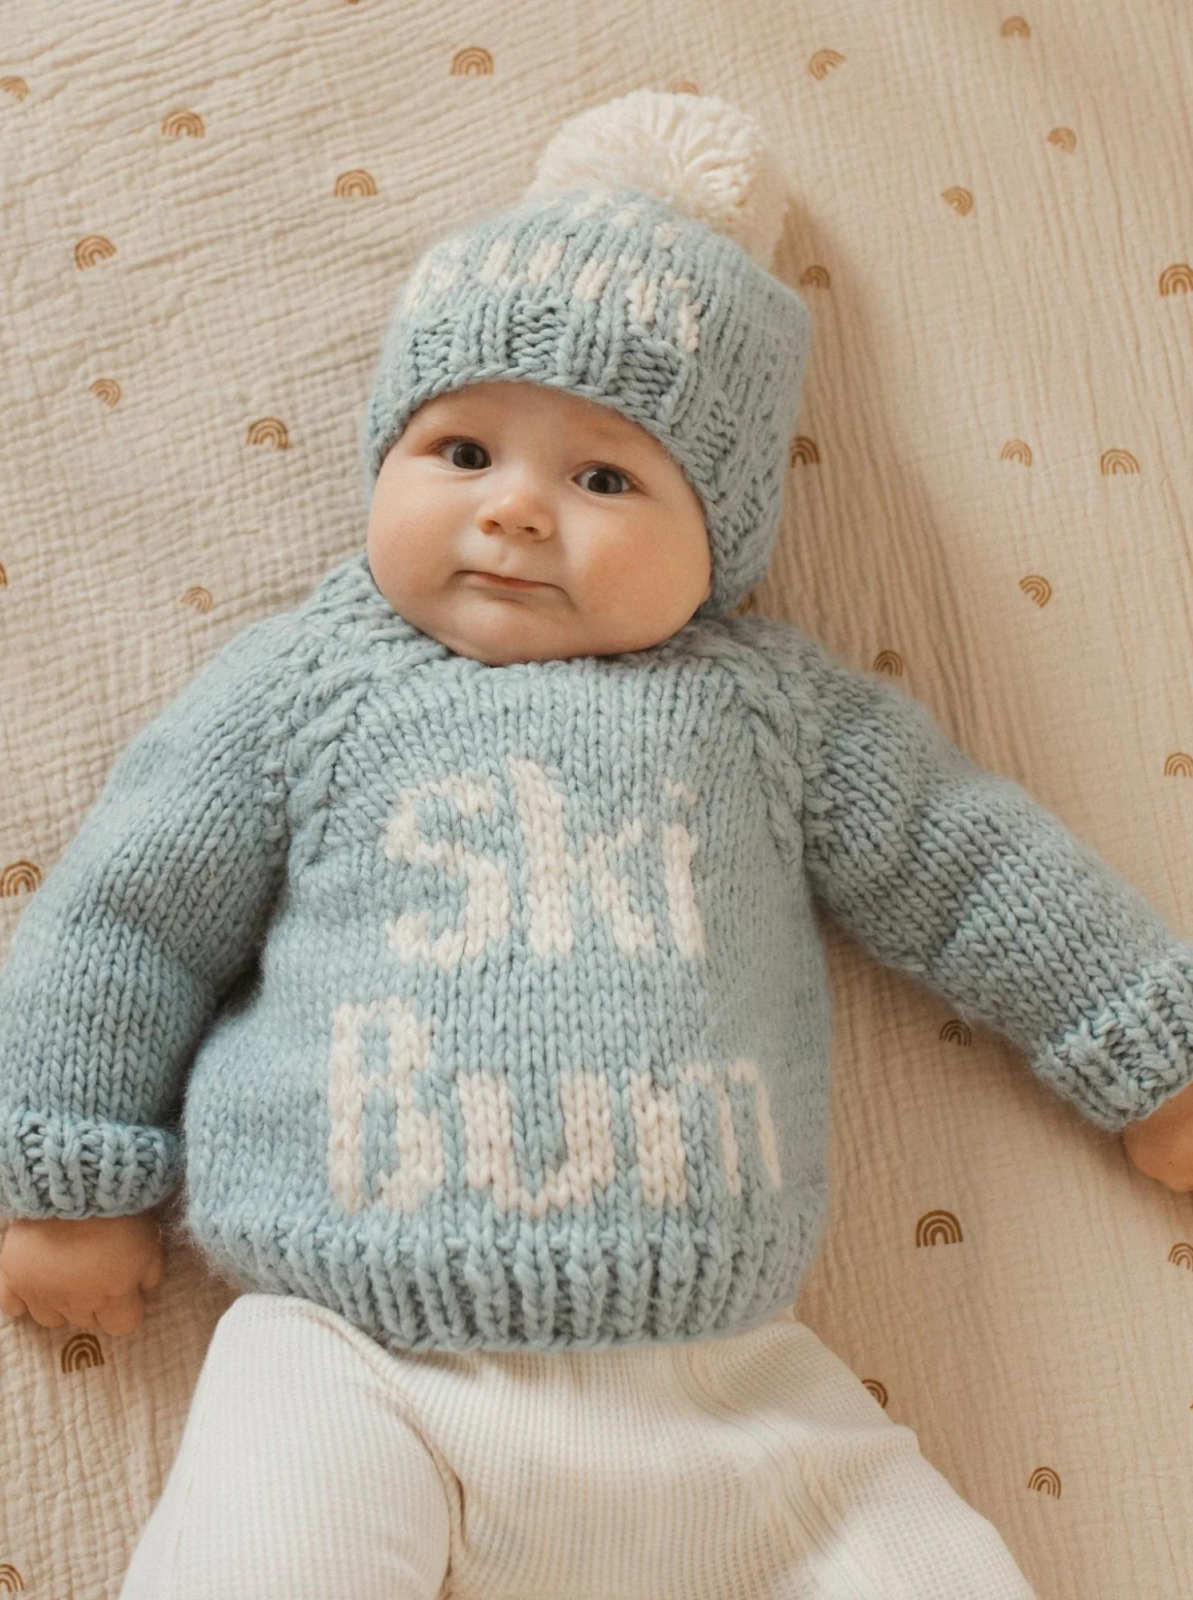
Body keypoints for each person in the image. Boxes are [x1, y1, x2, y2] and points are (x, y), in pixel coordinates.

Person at [2, 88, 1191, 1600]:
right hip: (349, 1355)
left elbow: (972, 871)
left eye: (604, 478)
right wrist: (70, 1175)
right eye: (461, 449)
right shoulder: (304, 684)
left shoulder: (770, 712)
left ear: (724, 532)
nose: (515, 512)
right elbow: (128, 917)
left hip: (730, 1392)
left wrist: (1154, 1055)